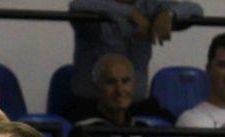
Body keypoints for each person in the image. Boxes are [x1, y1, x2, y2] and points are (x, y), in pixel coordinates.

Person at [67, 0, 204, 111]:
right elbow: (76, 5)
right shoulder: (95, 7)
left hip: (137, 106)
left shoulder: (147, 6)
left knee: (170, 129)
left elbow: (196, 9)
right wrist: (130, 13)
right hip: (91, 106)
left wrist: (169, 14)